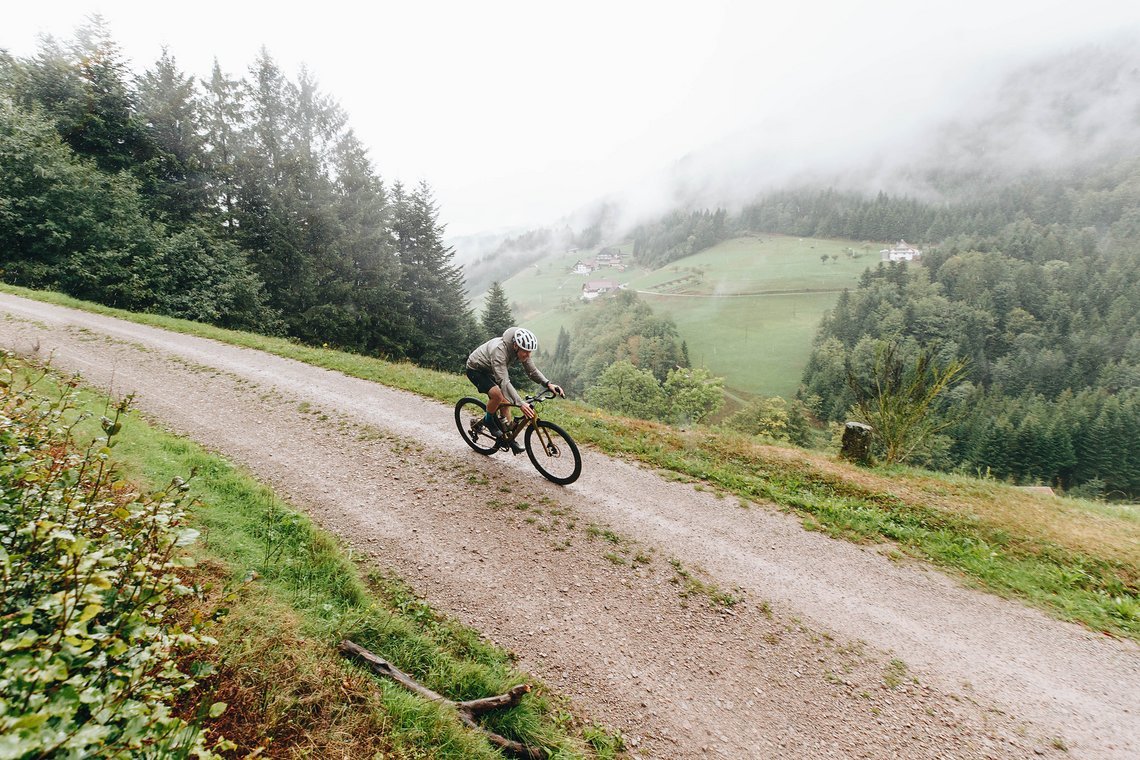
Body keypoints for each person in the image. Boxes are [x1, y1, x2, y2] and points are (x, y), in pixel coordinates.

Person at [465, 326, 565, 452]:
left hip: (491, 370)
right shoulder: (499, 351)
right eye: (525, 351)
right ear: (515, 346)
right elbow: (504, 381)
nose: (528, 355)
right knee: (497, 395)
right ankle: (489, 420)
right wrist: (520, 403)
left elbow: (532, 371)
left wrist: (548, 384)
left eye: (530, 352)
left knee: (506, 401)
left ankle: (507, 437)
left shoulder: (522, 351)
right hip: (476, 369)